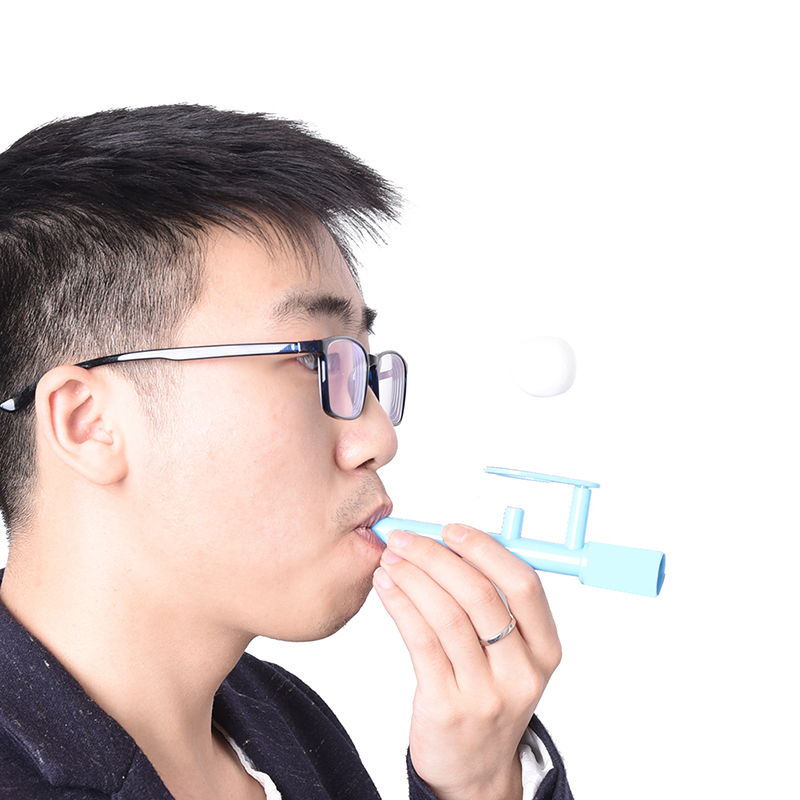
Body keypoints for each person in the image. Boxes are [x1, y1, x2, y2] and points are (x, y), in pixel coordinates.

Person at [0, 105, 572, 800]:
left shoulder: (286, 725)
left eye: (362, 366)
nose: (378, 438)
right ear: (89, 423)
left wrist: (476, 784)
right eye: (312, 361)